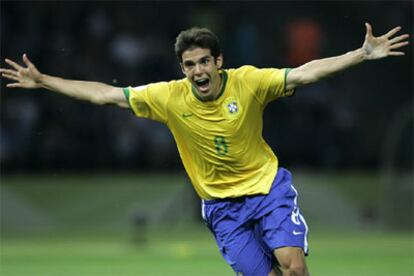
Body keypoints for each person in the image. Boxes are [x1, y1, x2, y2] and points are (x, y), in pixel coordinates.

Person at [1, 23, 409, 276]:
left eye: (204, 62)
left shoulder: (249, 81)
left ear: (219, 62)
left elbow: (305, 72)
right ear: (182, 69)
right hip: (222, 209)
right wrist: (45, 81)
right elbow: (105, 95)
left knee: (294, 266)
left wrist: (361, 54)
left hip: (267, 190)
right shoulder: (169, 97)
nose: (198, 71)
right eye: (189, 64)